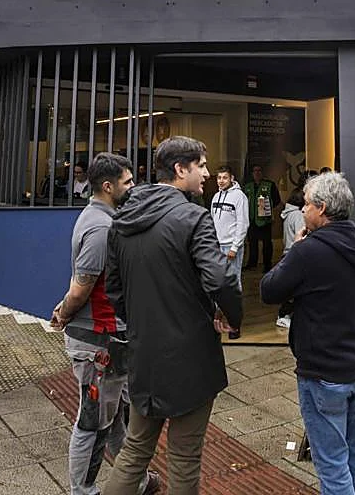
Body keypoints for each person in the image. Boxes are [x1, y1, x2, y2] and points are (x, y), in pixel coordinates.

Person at [102, 136, 243, 495]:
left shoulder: (122, 220)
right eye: (201, 165)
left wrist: (142, 321)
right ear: (181, 169)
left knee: (135, 450)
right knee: (184, 457)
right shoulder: (194, 217)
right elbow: (220, 279)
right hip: (191, 356)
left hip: (144, 353)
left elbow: (114, 290)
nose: (207, 173)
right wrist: (231, 317)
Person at [261, 171, 355, 495]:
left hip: (324, 370)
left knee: (331, 463)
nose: (303, 209)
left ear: (322, 208)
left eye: (307, 204)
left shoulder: (308, 251)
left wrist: (293, 250)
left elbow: (269, 290)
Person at [51, 153, 159, 495]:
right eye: (128, 181)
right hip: (98, 340)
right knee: (94, 421)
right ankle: (83, 489)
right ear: (109, 186)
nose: (134, 186)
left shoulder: (103, 218)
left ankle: (136, 481)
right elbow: (82, 286)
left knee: (114, 416)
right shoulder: (101, 228)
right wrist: (65, 312)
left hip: (110, 338)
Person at [210, 165, 249, 339]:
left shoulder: (239, 197)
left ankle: (235, 325)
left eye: (224, 177)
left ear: (232, 178)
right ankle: (218, 319)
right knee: (217, 283)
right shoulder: (216, 196)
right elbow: (213, 221)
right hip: (217, 246)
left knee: (233, 284)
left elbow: (243, 223)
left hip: (231, 247)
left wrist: (235, 247)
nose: (221, 181)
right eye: (219, 178)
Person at [275, 186, 307, 329]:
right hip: (294, 253)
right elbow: (301, 236)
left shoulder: (288, 214)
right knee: (294, 289)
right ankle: (283, 315)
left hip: (287, 252)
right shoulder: (298, 215)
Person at [243, 164, 282, 273]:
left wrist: (268, 209)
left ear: (262, 172)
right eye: (255, 171)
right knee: (252, 243)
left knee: (267, 244)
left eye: (259, 170)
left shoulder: (269, 185)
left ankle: (267, 265)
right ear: (252, 173)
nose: (257, 173)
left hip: (265, 220)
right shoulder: (247, 186)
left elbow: (277, 200)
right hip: (251, 219)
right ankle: (252, 263)